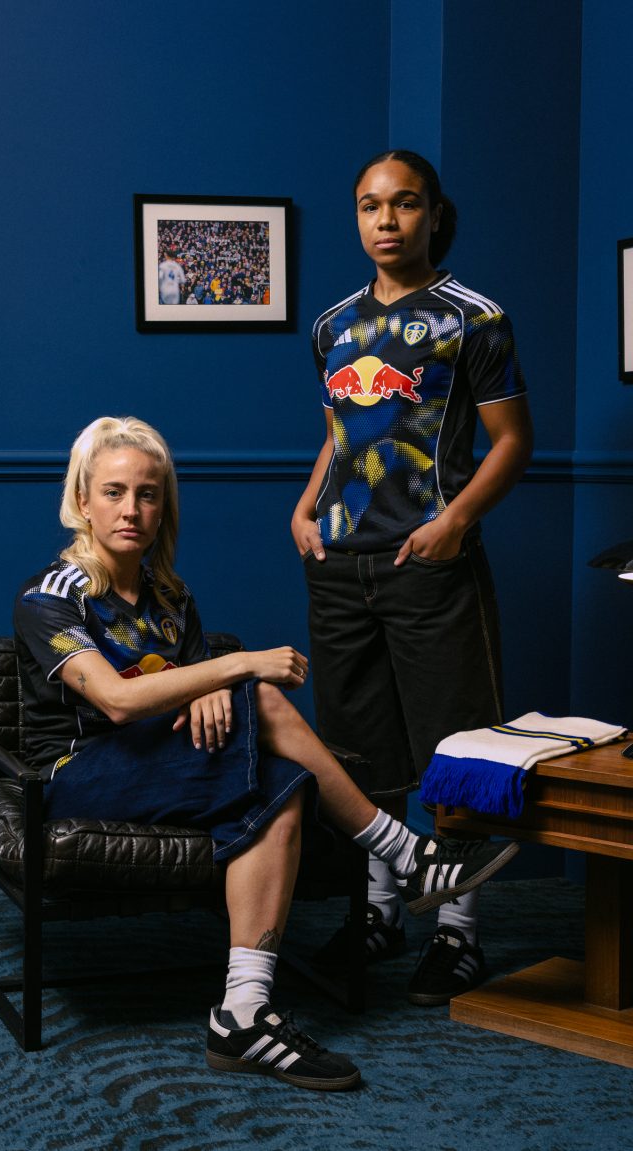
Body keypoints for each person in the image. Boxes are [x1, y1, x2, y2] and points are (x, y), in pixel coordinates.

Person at [14, 415, 518, 1091]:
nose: (131, 509)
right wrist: (238, 666)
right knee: (269, 701)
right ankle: (405, 852)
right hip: (79, 774)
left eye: (147, 494)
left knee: (283, 788)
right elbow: (119, 701)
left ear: (164, 507)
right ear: (82, 500)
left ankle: (243, 1012)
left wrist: (210, 687)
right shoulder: (50, 596)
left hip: (165, 764)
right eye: (113, 492)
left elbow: (195, 699)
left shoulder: (171, 598)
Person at [291, 150, 533, 1006]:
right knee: (360, 751)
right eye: (369, 205)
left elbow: (513, 441)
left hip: (428, 566)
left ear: (433, 213)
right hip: (339, 567)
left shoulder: (475, 318)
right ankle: (380, 913)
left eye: (403, 204)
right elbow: (341, 433)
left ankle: (457, 931)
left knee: (453, 750)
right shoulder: (331, 326)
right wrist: (304, 508)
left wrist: (454, 524)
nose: (385, 220)